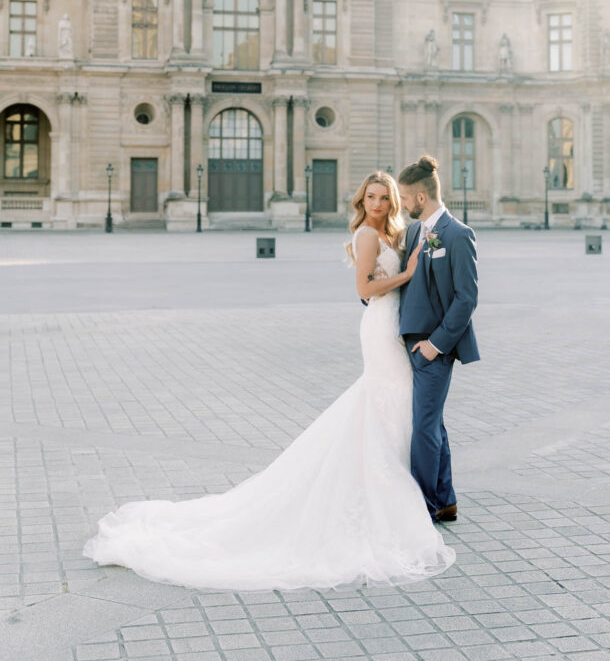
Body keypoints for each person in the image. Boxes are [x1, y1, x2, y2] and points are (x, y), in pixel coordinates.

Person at [82, 171, 454, 591]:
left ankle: (404, 485)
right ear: (361, 200)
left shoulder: (393, 233)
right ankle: (398, 491)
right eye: (370, 197)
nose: (376, 204)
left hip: (391, 324)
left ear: (393, 202)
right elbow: (364, 287)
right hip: (380, 327)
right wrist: (405, 276)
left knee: (392, 402)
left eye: (384, 198)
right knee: (390, 398)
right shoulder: (368, 235)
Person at [398, 156, 480, 523]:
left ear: (420, 196)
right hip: (409, 346)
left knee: (424, 427)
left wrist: (436, 345)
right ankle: (444, 500)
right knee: (432, 423)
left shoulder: (458, 234)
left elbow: (467, 298)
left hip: (434, 348)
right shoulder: (415, 232)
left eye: (403, 197)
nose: (400, 204)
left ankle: (424, 505)